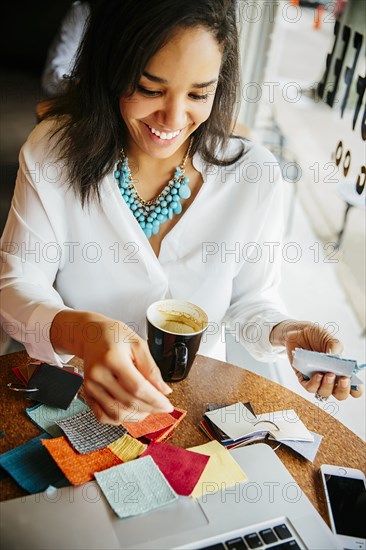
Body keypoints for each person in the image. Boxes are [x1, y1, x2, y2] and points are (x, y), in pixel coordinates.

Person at [0, 0, 362, 425]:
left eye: (198, 94)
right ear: (111, 71)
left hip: (193, 412)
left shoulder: (255, 175)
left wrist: (284, 333)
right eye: (151, 89)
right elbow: (14, 285)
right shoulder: (54, 152)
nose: (172, 118)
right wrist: (86, 333)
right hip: (71, 403)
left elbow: (251, 302)